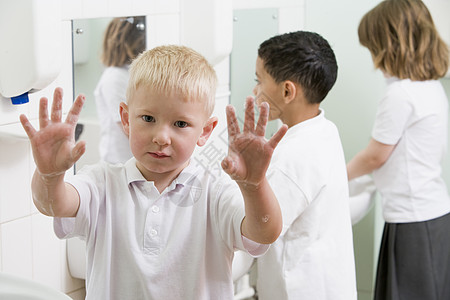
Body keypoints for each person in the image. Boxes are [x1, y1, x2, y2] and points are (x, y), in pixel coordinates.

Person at [19, 45, 288, 299]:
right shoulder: (101, 183)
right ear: (126, 119)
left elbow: (265, 233)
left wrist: (254, 185)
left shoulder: (215, 192)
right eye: (148, 119)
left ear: (205, 131)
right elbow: (53, 203)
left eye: (180, 123)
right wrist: (50, 175)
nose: (161, 137)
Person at [346, 0, 450, 299]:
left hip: (414, 219)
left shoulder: (399, 94)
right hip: (432, 214)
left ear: (388, 45)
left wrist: (336, 175)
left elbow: (375, 155)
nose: (373, 60)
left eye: (372, 48)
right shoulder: (431, 87)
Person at [253, 31, 357, 299]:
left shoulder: (293, 157)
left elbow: (259, 232)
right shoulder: (324, 129)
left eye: (259, 81)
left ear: (287, 90)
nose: (255, 90)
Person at [94, 16, 146, 164]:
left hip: (133, 160)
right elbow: (127, 127)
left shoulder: (130, 74)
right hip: (119, 161)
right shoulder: (115, 77)